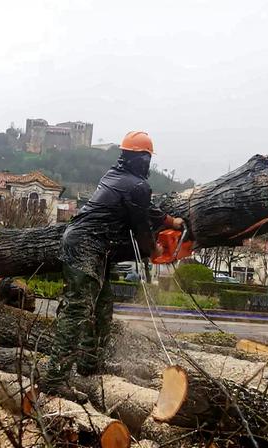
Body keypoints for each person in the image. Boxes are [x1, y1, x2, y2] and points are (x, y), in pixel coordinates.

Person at [42, 131, 183, 393]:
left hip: (92, 244)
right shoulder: (136, 185)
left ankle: (90, 363)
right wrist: (153, 251)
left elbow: (143, 208)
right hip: (86, 244)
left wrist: (169, 221)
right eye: (146, 159)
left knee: (103, 304)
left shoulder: (114, 176)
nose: (147, 164)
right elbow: (140, 226)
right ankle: (54, 379)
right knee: (78, 309)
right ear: (141, 158)